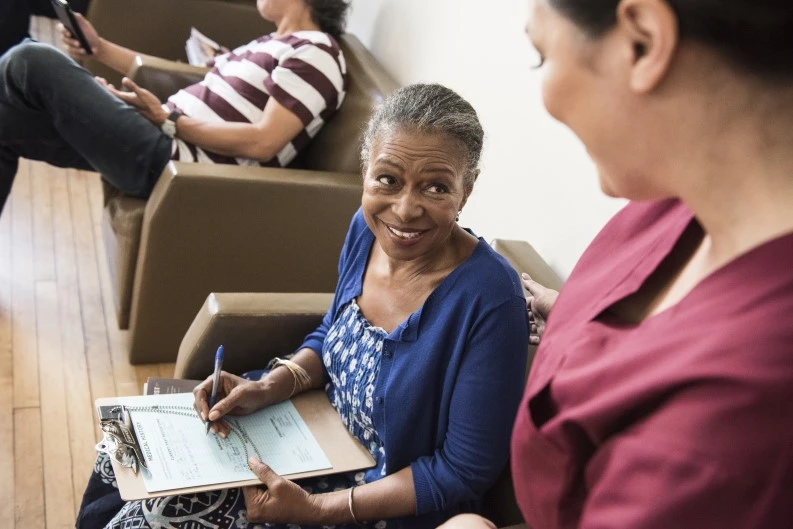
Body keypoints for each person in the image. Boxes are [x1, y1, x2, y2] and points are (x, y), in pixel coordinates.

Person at [76, 83, 530, 529]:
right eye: (388, 180)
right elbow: (333, 336)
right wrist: (271, 386)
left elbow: (462, 473)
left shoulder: (491, 300)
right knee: (123, 453)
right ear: (366, 171)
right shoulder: (366, 230)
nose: (405, 210)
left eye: (435, 188)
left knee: (159, 515)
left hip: (374, 499)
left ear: (465, 191)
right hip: (307, 438)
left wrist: (318, 511)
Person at [440, 0, 793, 527]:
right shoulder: (671, 199)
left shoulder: (733, 429)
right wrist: (572, 314)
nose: (548, 100)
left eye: (542, 55)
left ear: (643, 42)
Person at [0, 0, 349, 216]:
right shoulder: (269, 43)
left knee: (32, 58)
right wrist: (99, 49)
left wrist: (170, 121)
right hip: (158, 134)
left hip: (176, 161)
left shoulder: (316, 51)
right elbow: (185, 80)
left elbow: (263, 142)